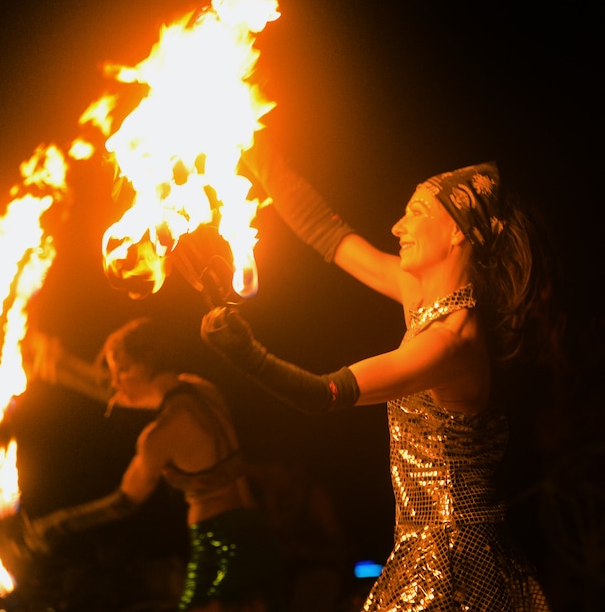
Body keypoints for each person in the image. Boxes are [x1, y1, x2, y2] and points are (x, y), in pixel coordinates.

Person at [200, 137, 554, 611]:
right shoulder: (423, 299)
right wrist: (255, 147)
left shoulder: (450, 343)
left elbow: (324, 393)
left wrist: (245, 354)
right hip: (426, 548)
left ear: (457, 234)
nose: (396, 226)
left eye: (415, 213)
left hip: (455, 564)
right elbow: (330, 235)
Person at [18, 316, 284, 612]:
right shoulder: (201, 389)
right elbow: (120, 392)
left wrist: (57, 524)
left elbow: (124, 502)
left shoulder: (160, 434)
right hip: (255, 528)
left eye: (123, 370)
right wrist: (61, 367)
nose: (116, 380)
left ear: (145, 364)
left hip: (218, 543)